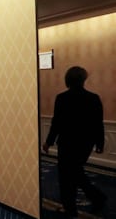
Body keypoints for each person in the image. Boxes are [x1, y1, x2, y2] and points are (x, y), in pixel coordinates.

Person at [42, 66, 107, 218]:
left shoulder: (62, 98)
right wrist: (100, 144)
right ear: (83, 80)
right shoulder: (93, 98)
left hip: (67, 143)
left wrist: (48, 142)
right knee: (76, 172)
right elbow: (98, 123)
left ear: (67, 80)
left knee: (66, 175)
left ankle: (72, 207)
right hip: (85, 144)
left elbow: (56, 123)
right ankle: (96, 198)